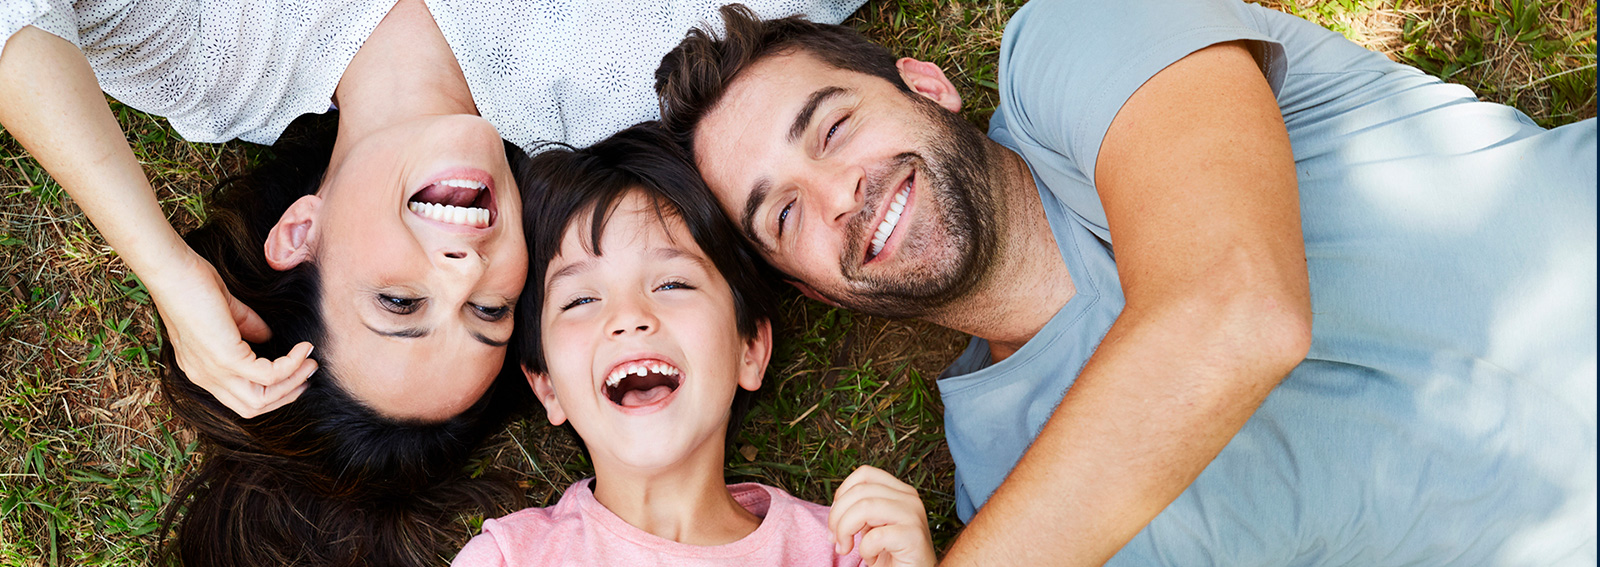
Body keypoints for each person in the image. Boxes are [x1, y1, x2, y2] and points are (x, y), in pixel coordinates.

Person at [654, 2, 1597, 565]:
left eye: (833, 127)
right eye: (783, 217)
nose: (840, 196)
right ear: (815, 292)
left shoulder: (1080, 38)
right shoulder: (1004, 489)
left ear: (927, 84)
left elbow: (1238, 307)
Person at [0, 0, 861, 564]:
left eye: (400, 303)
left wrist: (161, 263)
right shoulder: (626, 72)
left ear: (301, 232)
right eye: (489, 310)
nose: (464, 268)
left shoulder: (206, 58)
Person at [451, 123, 935, 567]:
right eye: (580, 299)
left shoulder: (853, 551)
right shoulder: (506, 561)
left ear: (749, 350)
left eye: (671, 285)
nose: (629, 318)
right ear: (548, 387)